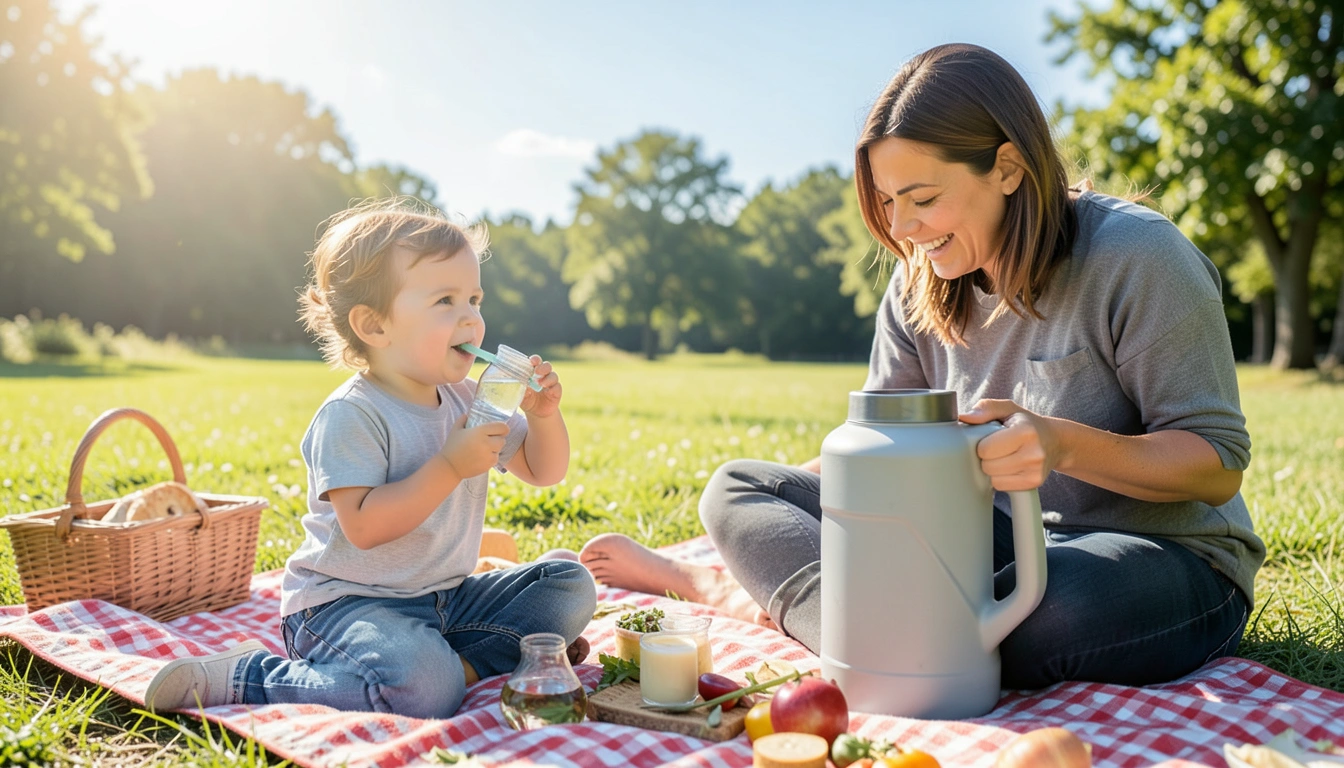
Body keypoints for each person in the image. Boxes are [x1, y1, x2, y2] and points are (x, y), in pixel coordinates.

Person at [581, 43, 1264, 689]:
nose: (902, 229)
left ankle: (801, 609)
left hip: (1158, 557)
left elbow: (1215, 463)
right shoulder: (918, 286)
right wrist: (788, 501)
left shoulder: (1138, 257)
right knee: (737, 488)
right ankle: (763, 593)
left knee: (1029, 617)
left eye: (924, 198)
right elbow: (880, 457)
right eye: (887, 200)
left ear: (1006, 167)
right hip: (986, 543)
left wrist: (1059, 445)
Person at [145, 198, 596, 717]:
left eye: (474, 299)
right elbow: (364, 527)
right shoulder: (351, 415)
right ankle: (251, 674)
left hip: (443, 599)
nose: (471, 318)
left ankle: (456, 664)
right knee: (423, 691)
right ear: (375, 327)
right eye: (445, 301)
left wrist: (543, 416)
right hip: (345, 606)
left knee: (568, 584)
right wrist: (449, 466)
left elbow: (545, 471)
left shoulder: (473, 399)